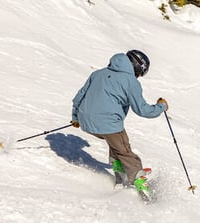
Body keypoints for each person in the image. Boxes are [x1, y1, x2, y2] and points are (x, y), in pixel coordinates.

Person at [71, 49, 168, 194]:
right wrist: (161, 107)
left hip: (86, 122)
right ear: (137, 67)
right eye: (140, 73)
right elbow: (143, 110)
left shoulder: (98, 73)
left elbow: (79, 96)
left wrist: (76, 118)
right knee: (125, 150)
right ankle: (140, 183)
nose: (138, 76)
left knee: (115, 144)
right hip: (108, 123)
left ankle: (119, 171)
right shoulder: (130, 81)